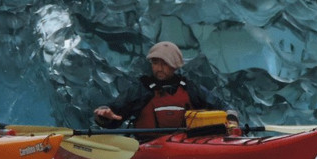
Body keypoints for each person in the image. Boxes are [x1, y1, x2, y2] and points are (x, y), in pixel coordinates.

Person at [93, 41, 224, 130]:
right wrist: (104, 116)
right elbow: (115, 114)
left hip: (185, 146)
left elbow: (219, 106)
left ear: (175, 65)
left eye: (165, 63)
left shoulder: (190, 88)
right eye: (155, 63)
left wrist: (230, 115)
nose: (159, 68)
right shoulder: (141, 89)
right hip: (149, 146)